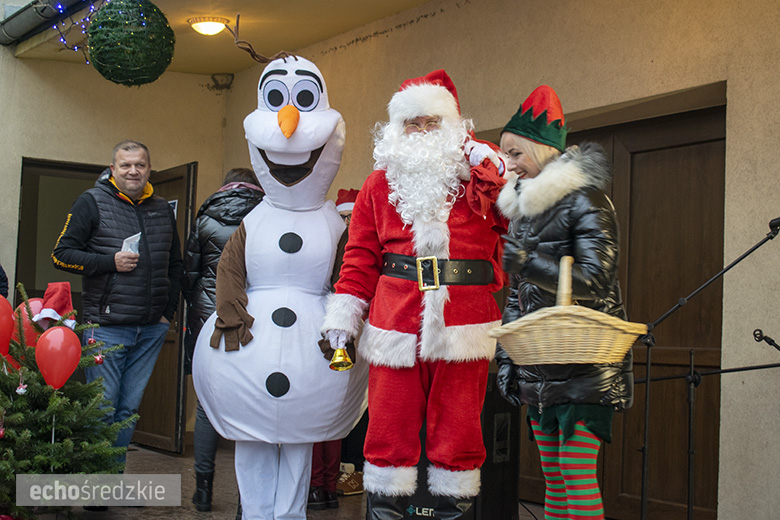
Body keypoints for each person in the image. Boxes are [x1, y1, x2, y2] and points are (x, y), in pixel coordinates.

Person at [321, 69, 508, 519]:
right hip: (394, 321)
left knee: (460, 429)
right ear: (395, 131)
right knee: (388, 427)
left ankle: (453, 511)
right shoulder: (376, 186)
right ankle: (385, 511)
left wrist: (497, 168)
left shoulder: (480, 181)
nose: (422, 131)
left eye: (431, 122)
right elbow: (360, 258)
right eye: (412, 123)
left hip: (464, 322)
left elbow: (523, 209)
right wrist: (344, 316)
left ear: (453, 127)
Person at [192, 55, 368, 520]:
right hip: (248, 352)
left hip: (314, 356)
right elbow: (229, 269)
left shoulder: (334, 221)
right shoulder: (254, 217)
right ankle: (254, 513)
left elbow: (346, 275)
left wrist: (345, 323)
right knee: (251, 442)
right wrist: (229, 312)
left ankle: (289, 515)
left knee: (299, 443)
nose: (290, 126)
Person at [494, 85, 633, 520]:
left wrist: (527, 262)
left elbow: (595, 278)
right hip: (540, 368)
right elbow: (516, 299)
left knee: (576, 478)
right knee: (554, 481)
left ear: (542, 149)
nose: (509, 165)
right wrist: (507, 361)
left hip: (584, 366)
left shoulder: (587, 200)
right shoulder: (524, 212)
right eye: (506, 156)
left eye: (516, 154)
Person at [52, 139, 183, 472]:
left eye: (140, 165)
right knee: (104, 408)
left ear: (149, 169)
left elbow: (176, 265)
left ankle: (110, 476)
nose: (133, 171)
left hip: (152, 328)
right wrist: (109, 261)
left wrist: (168, 313)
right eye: (125, 165)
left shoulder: (162, 209)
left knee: (128, 410)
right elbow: (61, 254)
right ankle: (96, 483)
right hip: (106, 327)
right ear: (113, 169)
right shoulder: (91, 202)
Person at [182, 167, 264, 512]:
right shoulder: (268, 216)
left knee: (206, 404)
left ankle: (203, 490)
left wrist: (199, 307)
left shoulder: (204, 217)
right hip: (254, 316)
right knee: (254, 402)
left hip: (209, 317)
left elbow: (189, 275)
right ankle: (248, 501)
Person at [308, 188, 361, 511]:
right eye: (343, 217)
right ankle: (323, 486)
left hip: (336, 329)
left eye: (353, 216)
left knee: (329, 411)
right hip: (337, 328)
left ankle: (323, 484)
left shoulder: (346, 245)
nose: (349, 222)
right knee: (327, 410)